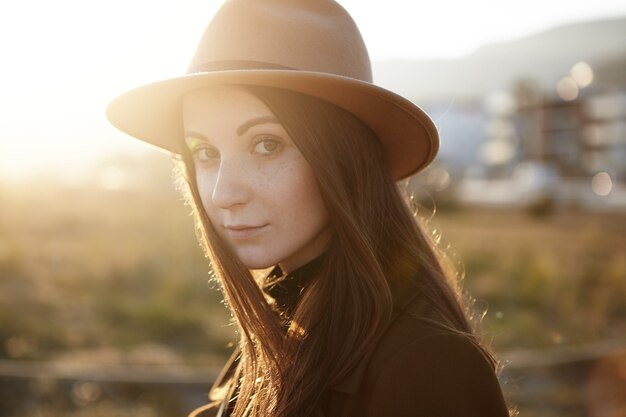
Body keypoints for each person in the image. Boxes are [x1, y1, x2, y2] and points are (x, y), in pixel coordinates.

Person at [107, 0, 511, 416]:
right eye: (205, 152)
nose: (225, 193)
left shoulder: (427, 365)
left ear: (343, 157)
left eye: (267, 145)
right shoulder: (285, 320)